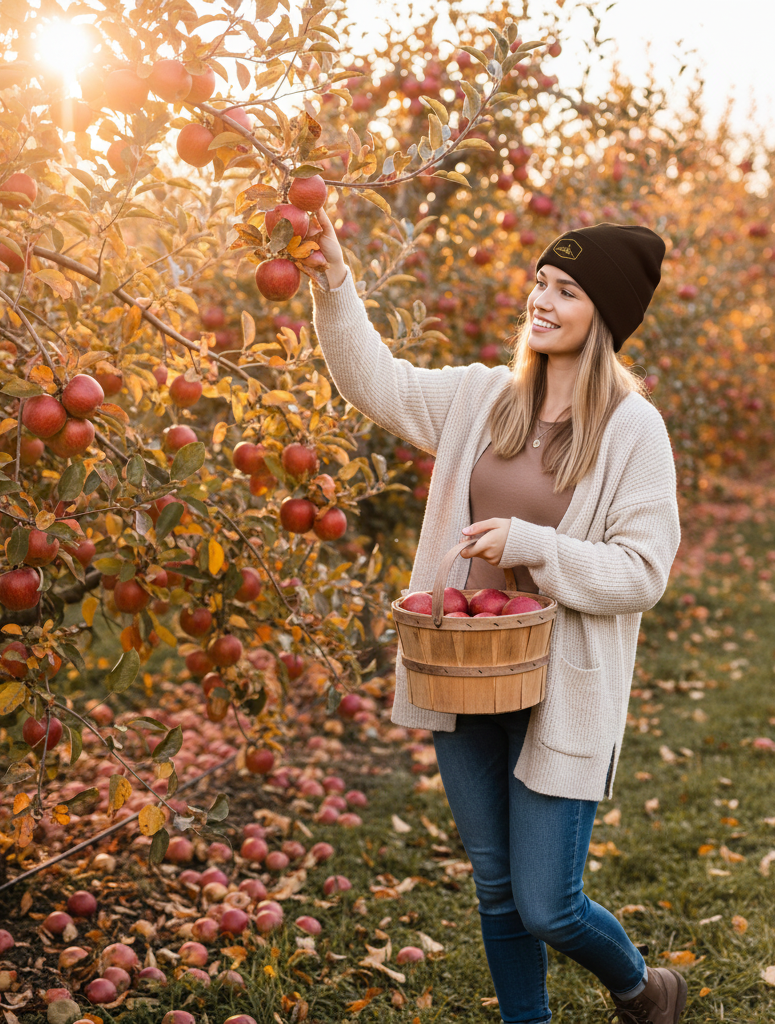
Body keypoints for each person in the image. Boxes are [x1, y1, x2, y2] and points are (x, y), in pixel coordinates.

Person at [309, 207, 684, 1024]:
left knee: (550, 905)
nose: (542, 301)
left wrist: (533, 544)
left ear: (606, 316)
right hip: (466, 674)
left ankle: (644, 988)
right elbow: (376, 381)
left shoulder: (633, 430)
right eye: (542, 282)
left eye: (569, 291)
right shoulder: (485, 398)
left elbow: (643, 572)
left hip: (561, 688)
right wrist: (334, 280)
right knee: (497, 886)